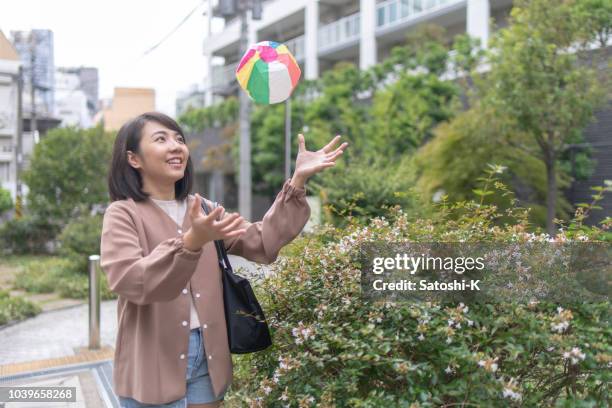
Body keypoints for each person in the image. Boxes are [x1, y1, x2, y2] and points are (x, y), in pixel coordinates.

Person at [100, 112, 347, 407]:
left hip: (208, 353)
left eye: (179, 139)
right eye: (161, 139)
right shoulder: (123, 214)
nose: (176, 146)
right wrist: (191, 242)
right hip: (151, 359)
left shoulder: (203, 208)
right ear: (133, 159)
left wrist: (297, 181)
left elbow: (262, 242)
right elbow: (130, 280)